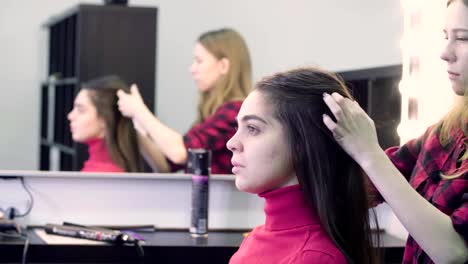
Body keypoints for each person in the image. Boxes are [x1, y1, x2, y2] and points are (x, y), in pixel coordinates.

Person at [322, 0, 468, 263]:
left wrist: (368, 151)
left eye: (463, 38)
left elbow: (452, 251)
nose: (445, 53)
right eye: (446, 36)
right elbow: (370, 184)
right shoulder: (449, 131)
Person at [227, 68, 379, 264]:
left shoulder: (314, 258)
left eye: (253, 129)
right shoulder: (256, 239)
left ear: (303, 143)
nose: (231, 143)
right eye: (237, 127)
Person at [116, 28, 252, 174]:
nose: (192, 69)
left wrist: (139, 110)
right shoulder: (212, 115)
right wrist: (137, 124)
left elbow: (179, 153)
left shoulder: (235, 112)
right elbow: (165, 165)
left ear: (223, 66)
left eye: (199, 61)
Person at [67, 75, 143, 172]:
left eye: (81, 110)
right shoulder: (99, 168)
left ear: (105, 119)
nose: (70, 116)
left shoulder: (104, 174)